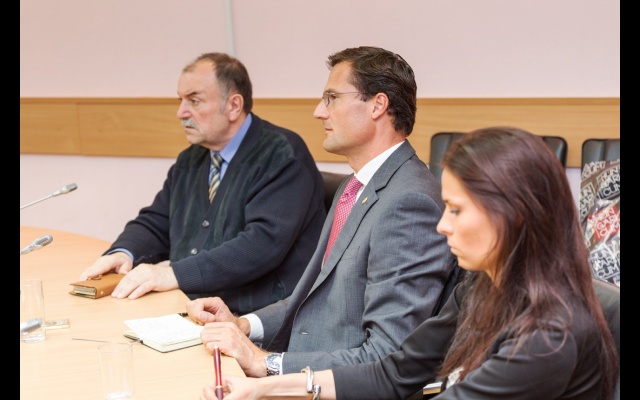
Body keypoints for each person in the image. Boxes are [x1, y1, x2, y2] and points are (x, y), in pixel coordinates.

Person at [202, 126, 619, 400]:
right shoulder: (483, 285)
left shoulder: (550, 334)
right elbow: (394, 372)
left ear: (514, 215)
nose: (442, 225)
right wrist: (263, 387)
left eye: (456, 210)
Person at [187, 46, 455, 380]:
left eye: (331, 98)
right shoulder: (353, 186)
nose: (319, 112)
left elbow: (386, 356)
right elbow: (314, 300)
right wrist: (243, 325)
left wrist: (266, 363)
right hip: (302, 371)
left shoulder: (409, 202)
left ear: (378, 105)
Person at [79, 52, 327, 314]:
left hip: (260, 315)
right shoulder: (193, 158)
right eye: (181, 100)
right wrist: (124, 252)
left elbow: (261, 245)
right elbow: (158, 222)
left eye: (194, 101)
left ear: (233, 106)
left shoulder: (281, 154)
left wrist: (174, 274)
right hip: (196, 307)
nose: (181, 113)